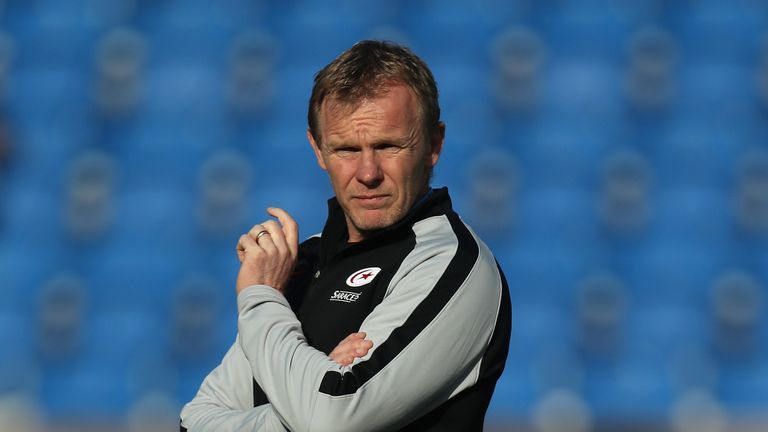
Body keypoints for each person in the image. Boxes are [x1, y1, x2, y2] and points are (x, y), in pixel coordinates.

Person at [180, 40, 511, 431]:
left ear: (433, 144)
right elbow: (195, 422)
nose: (367, 172)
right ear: (317, 149)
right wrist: (312, 390)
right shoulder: (302, 265)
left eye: (388, 146)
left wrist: (260, 299)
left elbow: (333, 419)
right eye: (346, 149)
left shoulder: (453, 265)